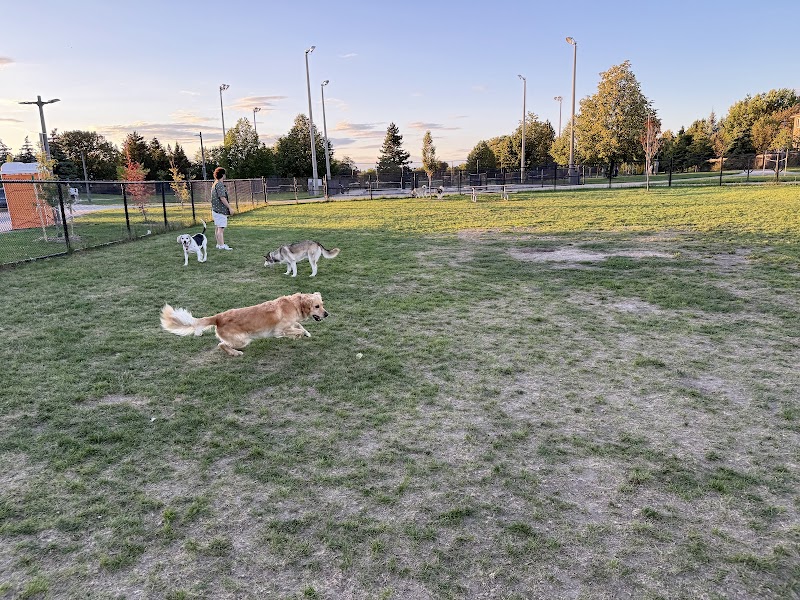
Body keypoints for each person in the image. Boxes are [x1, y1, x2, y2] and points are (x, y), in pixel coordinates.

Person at [210, 167, 234, 250]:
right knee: (221, 229)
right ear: (223, 175)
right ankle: (222, 245)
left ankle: (219, 244)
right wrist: (230, 208)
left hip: (215, 210)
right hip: (220, 210)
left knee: (217, 228)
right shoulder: (219, 184)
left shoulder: (215, 184)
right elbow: (222, 197)